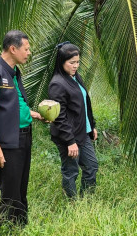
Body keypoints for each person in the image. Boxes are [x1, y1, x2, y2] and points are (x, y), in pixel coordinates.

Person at [0, 30, 43, 227]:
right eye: (26, 49)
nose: (29, 53)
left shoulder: (13, 72)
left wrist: (32, 114)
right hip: (7, 141)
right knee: (10, 190)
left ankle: (22, 227)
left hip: (23, 136)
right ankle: (7, 229)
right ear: (13, 49)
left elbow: (13, 103)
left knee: (21, 187)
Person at [48, 42, 98, 199]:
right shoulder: (57, 83)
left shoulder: (75, 77)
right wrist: (70, 141)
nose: (76, 66)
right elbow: (59, 117)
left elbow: (84, 104)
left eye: (77, 62)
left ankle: (86, 201)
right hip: (68, 136)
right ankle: (72, 204)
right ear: (62, 62)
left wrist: (92, 126)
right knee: (71, 171)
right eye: (72, 63)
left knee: (91, 166)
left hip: (82, 132)